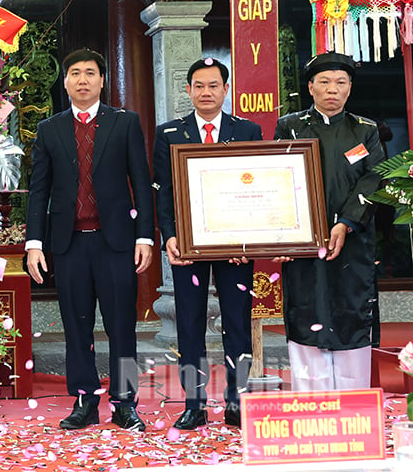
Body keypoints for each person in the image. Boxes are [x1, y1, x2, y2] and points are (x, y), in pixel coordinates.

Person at [25, 48, 154, 432]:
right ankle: (84, 401)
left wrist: (144, 235)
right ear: (65, 81)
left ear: (102, 80)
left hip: (115, 243)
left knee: (122, 328)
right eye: (75, 73)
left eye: (90, 73)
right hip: (70, 245)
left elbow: (142, 184)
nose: (83, 80)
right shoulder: (50, 129)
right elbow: (39, 191)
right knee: (76, 327)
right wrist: (35, 243)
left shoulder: (125, 123)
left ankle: (125, 403)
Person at [151, 58, 262, 429]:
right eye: (198, 85)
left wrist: (246, 240)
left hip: (234, 247)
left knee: (237, 321)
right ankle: (194, 404)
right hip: (189, 245)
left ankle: (236, 401)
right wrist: (169, 237)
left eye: (214, 85)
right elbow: (163, 194)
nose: (206, 92)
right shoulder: (169, 133)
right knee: (190, 323)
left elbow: (255, 190)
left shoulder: (247, 131)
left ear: (226, 90)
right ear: (188, 90)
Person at [274, 51, 384, 391]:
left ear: (349, 88)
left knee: (351, 312)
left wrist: (346, 222)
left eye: (340, 82)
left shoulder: (365, 130)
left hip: (353, 243)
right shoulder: (289, 126)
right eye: (324, 82)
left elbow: (375, 178)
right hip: (304, 241)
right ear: (311, 87)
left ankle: (353, 406)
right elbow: (278, 177)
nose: (332, 89)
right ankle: (311, 406)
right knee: (308, 312)